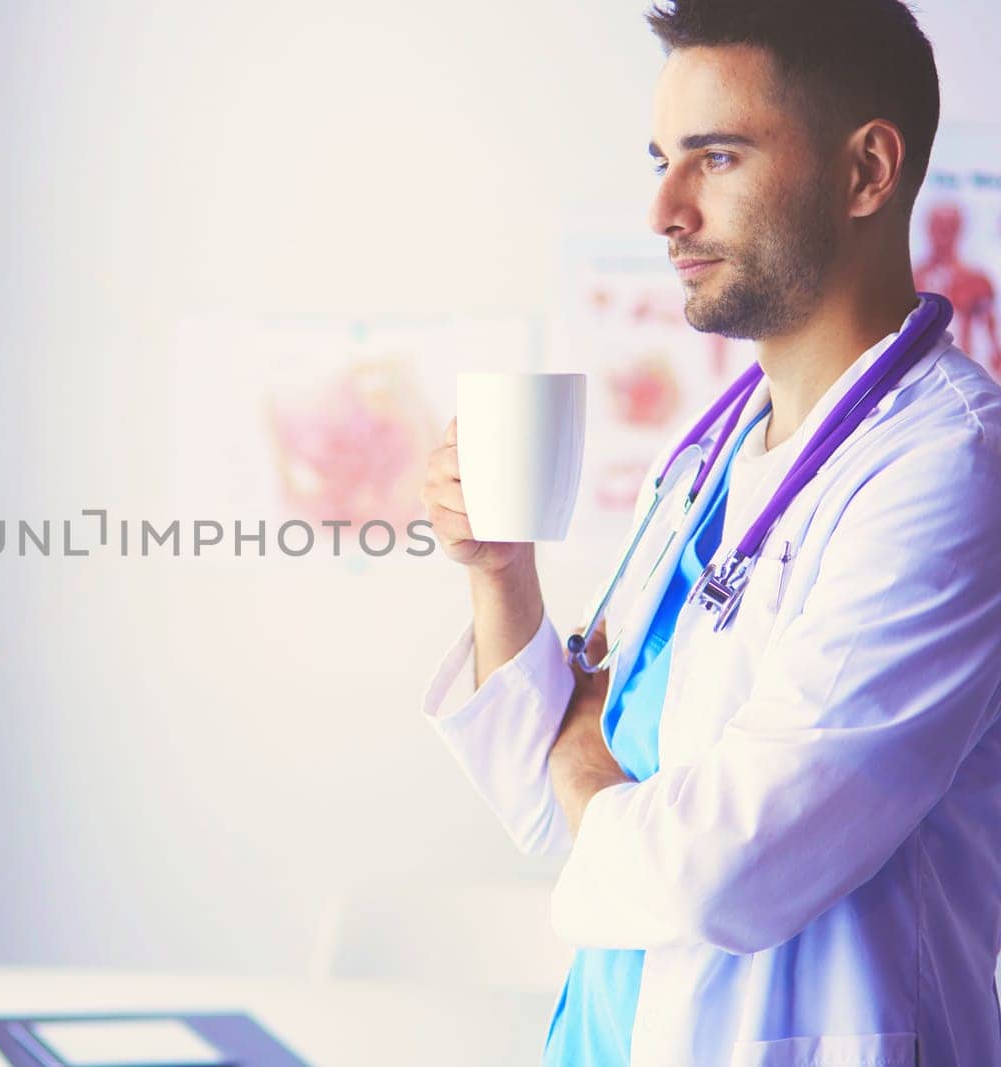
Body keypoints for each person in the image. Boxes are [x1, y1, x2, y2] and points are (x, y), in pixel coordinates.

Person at [417, 2, 1001, 1064]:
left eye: (714, 157)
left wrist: (588, 759)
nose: (663, 211)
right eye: (659, 159)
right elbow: (549, 809)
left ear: (867, 172)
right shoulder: (713, 452)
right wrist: (501, 575)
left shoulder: (948, 470)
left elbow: (717, 867)